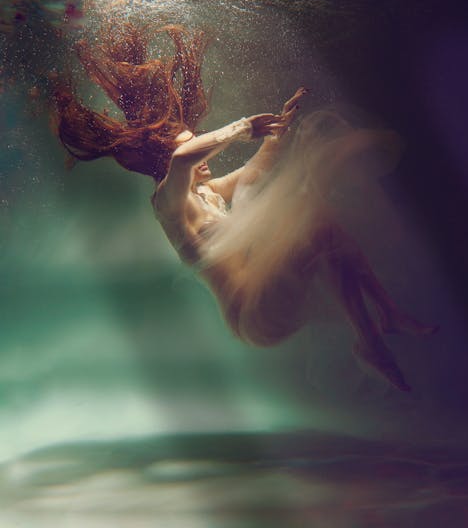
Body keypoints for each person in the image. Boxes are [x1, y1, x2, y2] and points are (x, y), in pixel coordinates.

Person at [53, 21, 436, 392]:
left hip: (264, 295)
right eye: (193, 146)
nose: (206, 155)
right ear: (165, 163)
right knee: (313, 219)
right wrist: (239, 129)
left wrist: (278, 126)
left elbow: (256, 168)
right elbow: (185, 159)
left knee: (324, 227)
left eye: (201, 142)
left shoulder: (211, 192)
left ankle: (383, 318)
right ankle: (373, 334)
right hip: (252, 317)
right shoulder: (169, 205)